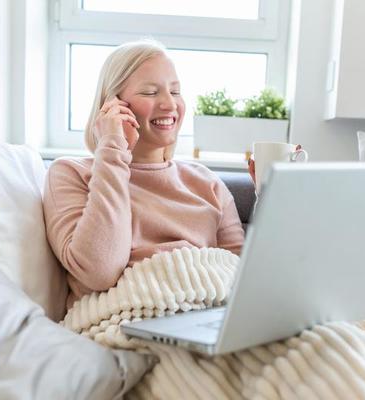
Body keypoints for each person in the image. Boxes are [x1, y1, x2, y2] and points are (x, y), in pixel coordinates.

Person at [43, 40, 245, 309]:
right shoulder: (70, 173)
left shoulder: (206, 182)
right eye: (150, 93)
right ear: (112, 106)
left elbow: (241, 277)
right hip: (123, 320)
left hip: (205, 316)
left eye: (175, 91)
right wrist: (113, 149)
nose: (169, 104)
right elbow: (99, 272)